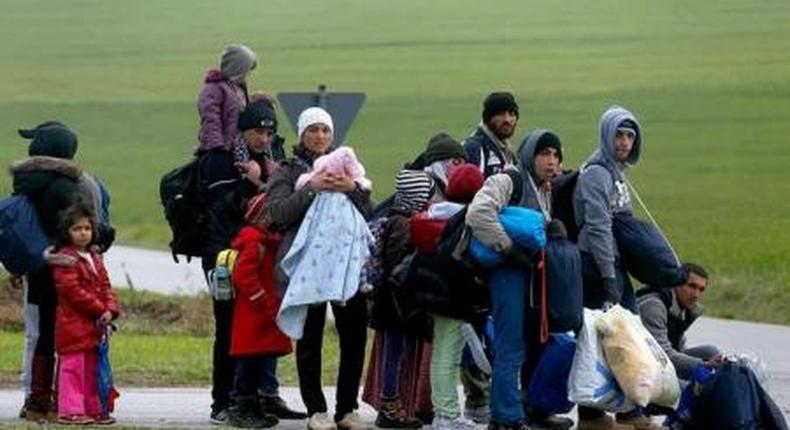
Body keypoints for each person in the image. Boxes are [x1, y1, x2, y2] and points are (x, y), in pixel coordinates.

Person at [266, 106, 373, 430]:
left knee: (354, 336)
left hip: (347, 266)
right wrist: (312, 187)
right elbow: (279, 213)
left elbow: (368, 209)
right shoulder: (287, 171)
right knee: (310, 339)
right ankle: (316, 410)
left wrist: (350, 189)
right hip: (307, 267)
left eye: (325, 130)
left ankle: (347, 410)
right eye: (313, 130)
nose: (320, 136)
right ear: (301, 134)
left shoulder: (345, 165)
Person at [198, 99, 303, 424]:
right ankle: (224, 402)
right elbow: (227, 209)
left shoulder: (268, 159)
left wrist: (263, 179)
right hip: (226, 256)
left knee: (263, 327)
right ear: (242, 130)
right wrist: (254, 181)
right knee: (231, 330)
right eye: (258, 131)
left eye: (269, 132)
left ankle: (264, 396)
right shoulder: (218, 161)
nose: (264, 138)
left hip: (261, 253)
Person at [573, 106, 661, 430]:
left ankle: (624, 412)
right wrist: (609, 277)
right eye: (619, 135)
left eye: (630, 136)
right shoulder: (597, 172)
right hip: (597, 268)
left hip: (613, 266)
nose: (624, 142)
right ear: (606, 135)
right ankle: (601, 415)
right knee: (607, 343)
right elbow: (597, 228)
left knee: (625, 338)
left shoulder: (618, 173)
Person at [10, 121, 96, 421]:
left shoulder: (27, 184)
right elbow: (80, 227)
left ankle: (36, 402)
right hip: (66, 268)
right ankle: (64, 401)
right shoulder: (70, 185)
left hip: (37, 268)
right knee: (69, 335)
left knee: (42, 335)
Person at [419, 163, 486, 430]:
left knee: (441, 354)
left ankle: (443, 411)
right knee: (449, 355)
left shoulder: (433, 214)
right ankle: (446, 414)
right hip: (456, 298)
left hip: (434, 294)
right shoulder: (468, 219)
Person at [366, 170, 435, 429]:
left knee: (395, 351)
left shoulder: (395, 217)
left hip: (390, 300)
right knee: (395, 352)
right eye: (426, 195)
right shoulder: (404, 224)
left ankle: (392, 404)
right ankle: (389, 407)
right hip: (396, 303)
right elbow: (398, 265)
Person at [516, 131, 574, 430]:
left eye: (556, 155)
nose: (551, 161)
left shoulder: (546, 189)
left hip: (541, 282)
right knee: (524, 345)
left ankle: (537, 409)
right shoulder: (517, 184)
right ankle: (522, 410)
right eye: (545, 154)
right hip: (519, 281)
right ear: (530, 155)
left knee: (541, 344)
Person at [224, 194, 293, 429]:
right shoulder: (254, 242)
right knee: (248, 364)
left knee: (254, 361)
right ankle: (241, 408)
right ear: (262, 216)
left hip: (258, 316)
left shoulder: (264, 241)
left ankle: (252, 408)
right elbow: (244, 276)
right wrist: (262, 300)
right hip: (254, 315)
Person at [48, 204, 119, 425]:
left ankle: (93, 408)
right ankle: (70, 410)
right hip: (72, 324)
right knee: (73, 368)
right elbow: (73, 292)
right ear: (66, 232)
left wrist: (111, 308)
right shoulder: (64, 259)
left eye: (87, 228)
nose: (83, 233)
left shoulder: (94, 257)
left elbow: (106, 285)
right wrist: (100, 309)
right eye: (77, 228)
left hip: (94, 326)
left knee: (91, 370)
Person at [637, 263, 720, 381]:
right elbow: (662, 356)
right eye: (692, 286)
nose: (696, 294)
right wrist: (704, 365)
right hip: (645, 365)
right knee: (691, 391)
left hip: (662, 361)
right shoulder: (654, 306)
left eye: (701, 289)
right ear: (676, 283)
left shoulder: (682, 307)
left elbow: (678, 347)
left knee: (711, 352)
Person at [197, 44, 258, 154]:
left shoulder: (238, 88)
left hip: (237, 148)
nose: (249, 73)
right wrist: (217, 149)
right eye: (247, 69)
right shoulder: (214, 89)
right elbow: (211, 119)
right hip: (220, 150)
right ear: (238, 68)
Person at [463, 92, 520, 178]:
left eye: (511, 114)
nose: (507, 120)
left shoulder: (508, 151)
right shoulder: (475, 148)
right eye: (500, 114)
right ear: (488, 118)